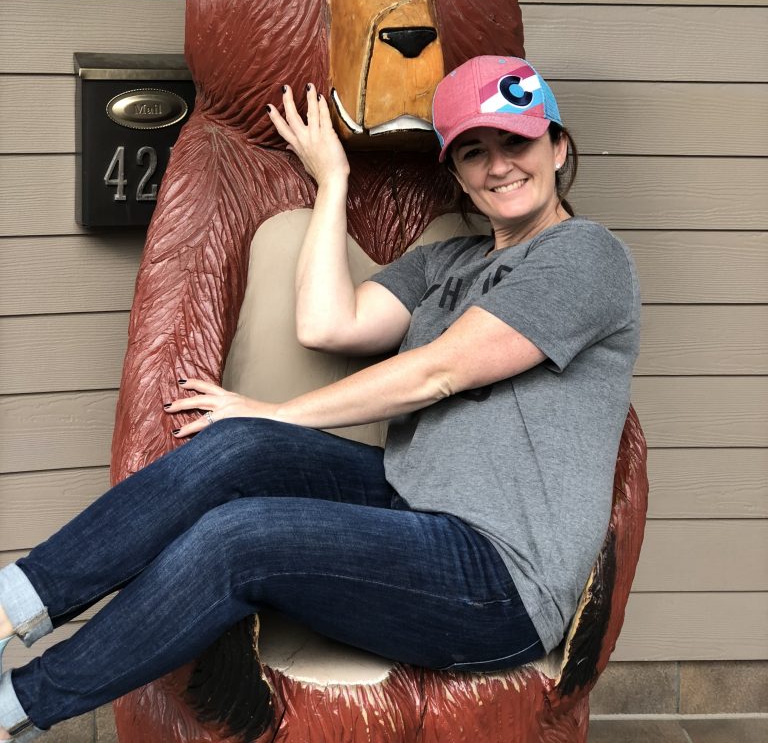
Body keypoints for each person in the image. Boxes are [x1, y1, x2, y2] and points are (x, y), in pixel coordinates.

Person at [0, 56, 640, 741]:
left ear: (558, 147)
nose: (499, 167)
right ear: (455, 173)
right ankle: (12, 605)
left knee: (238, 540)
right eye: (474, 152)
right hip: (411, 503)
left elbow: (439, 373)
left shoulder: (585, 255)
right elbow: (327, 324)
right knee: (237, 448)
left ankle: (16, 707)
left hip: (496, 579)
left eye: (517, 142)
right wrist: (331, 180)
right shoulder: (446, 264)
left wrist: (278, 410)